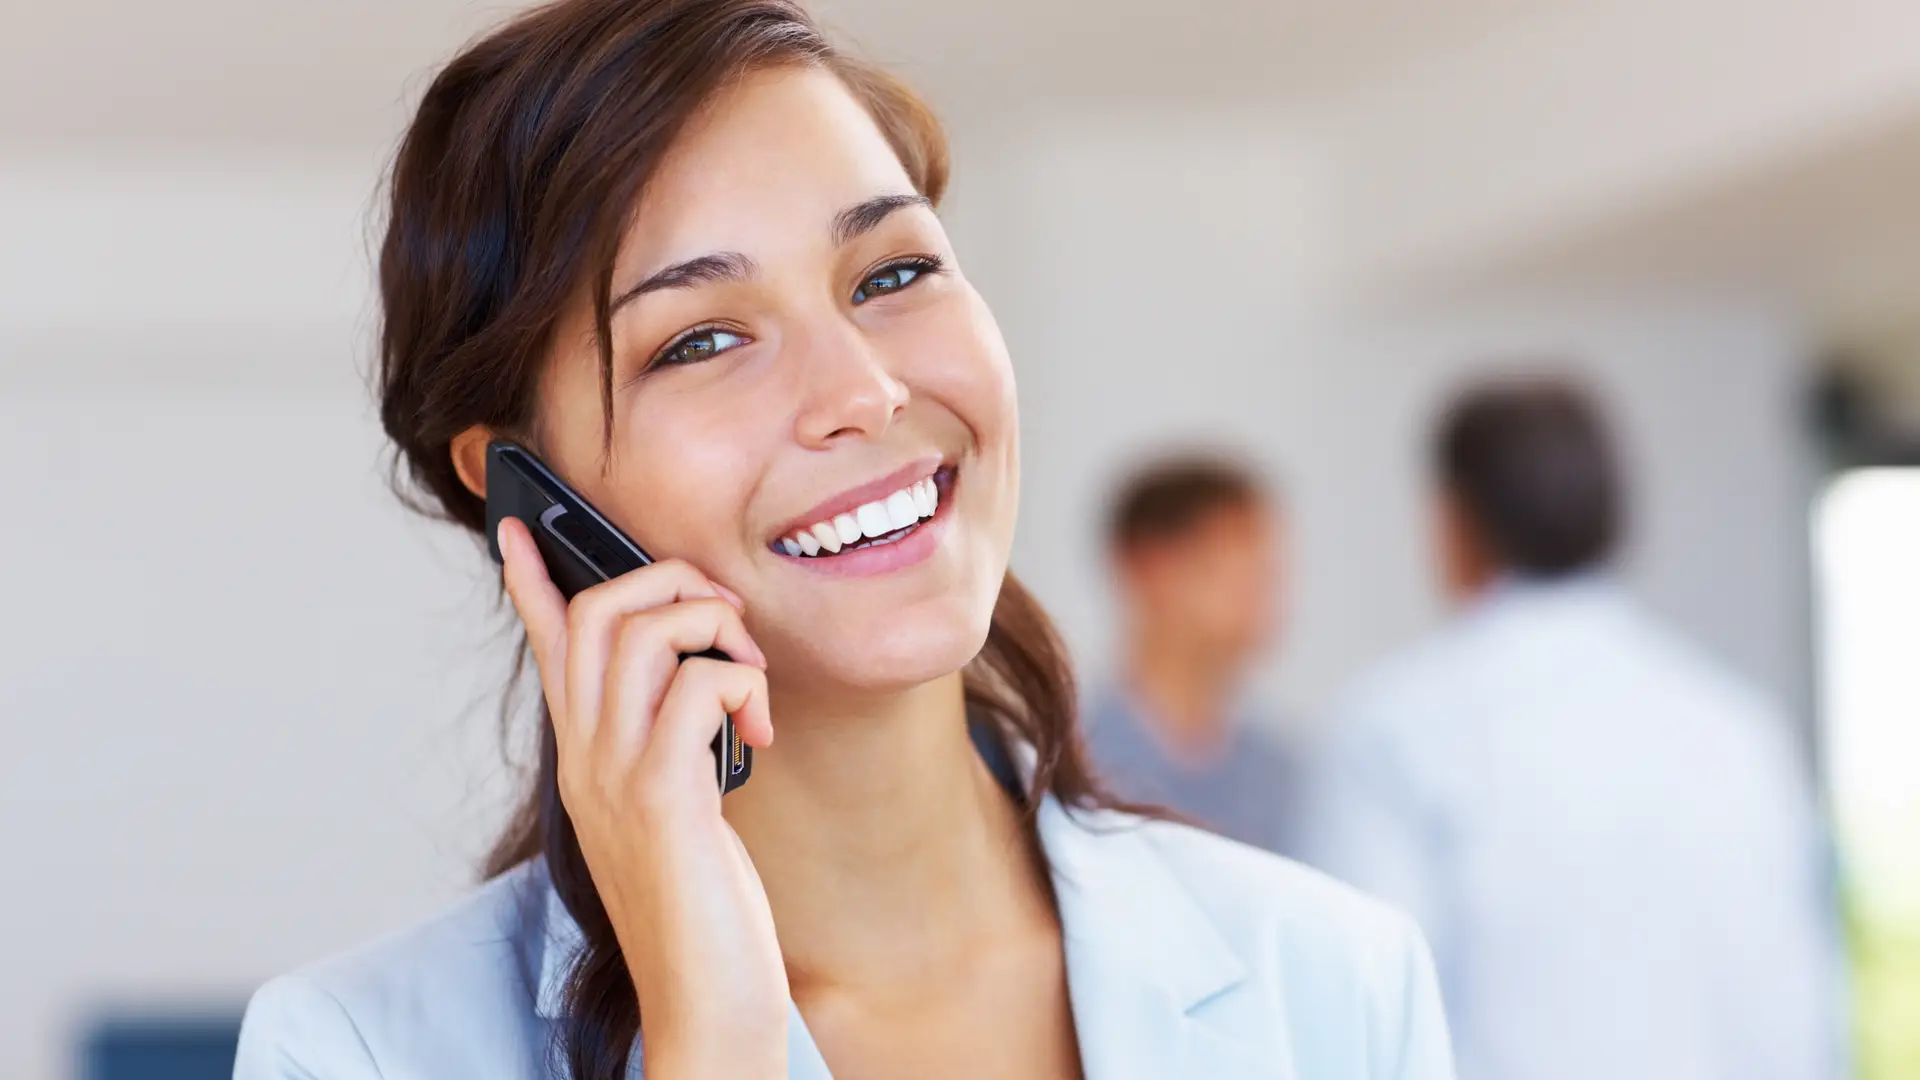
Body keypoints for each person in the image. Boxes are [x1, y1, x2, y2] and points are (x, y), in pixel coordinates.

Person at [229, 3, 1453, 1079]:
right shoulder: (356, 1053)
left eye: (893, 271)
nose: (862, 390)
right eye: (701, 339)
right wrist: (711, 1038)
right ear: (523, 489)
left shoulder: (1334, 984)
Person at [1293, 377, 1843, 1080]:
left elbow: (1355, 1030)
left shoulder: (1395, 734)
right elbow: (1799, 1019)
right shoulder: (1740, 731)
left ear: (1452, 520)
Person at [1086, 455, 1298, 853]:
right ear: (1148, 568)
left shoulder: (1281, 777)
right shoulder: (1068, 765)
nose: (1260, 597)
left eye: (1267, 573)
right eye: (1232, 569)